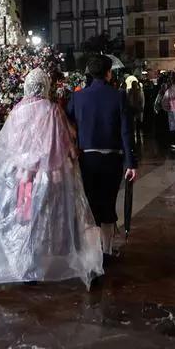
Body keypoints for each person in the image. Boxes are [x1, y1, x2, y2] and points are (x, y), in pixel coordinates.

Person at [0, 68, 103, 287]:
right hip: (48, 177)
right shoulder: (52, 110)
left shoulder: (17, 111)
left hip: (22, 178)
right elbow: (65, 142)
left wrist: (0, 172)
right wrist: (72, 155)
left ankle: (28, 262)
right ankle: (44, 255)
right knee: (44, 217)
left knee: (24, 217)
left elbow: (5, 144)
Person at [66, 55, 137, 258]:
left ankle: (92, 252)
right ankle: (106, 250)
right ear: (109, 72)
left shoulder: (78, 96)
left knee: (90, 204)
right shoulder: (118, 96)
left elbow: (66, 119)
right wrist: (131, 163)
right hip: (111, 159)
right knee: (108, 203)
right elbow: (126, 132)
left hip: (86, 159)